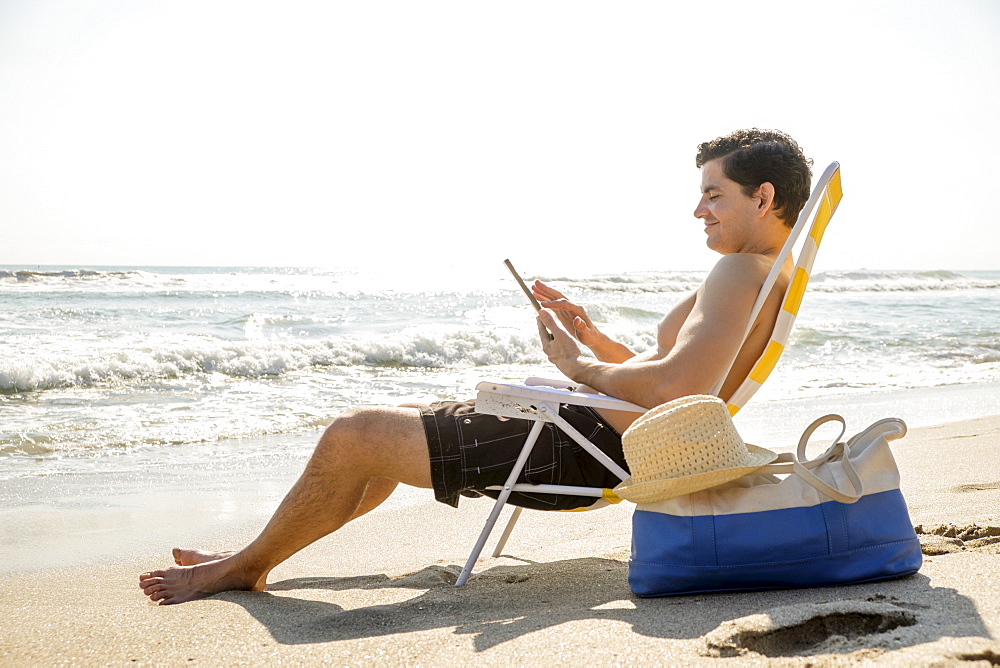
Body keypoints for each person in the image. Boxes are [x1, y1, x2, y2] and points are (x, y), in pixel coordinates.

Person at [139, 128, 813, 604]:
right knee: (391, 424)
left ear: (761, 197)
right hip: (591, 438)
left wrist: (577, 366)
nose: (698, 209)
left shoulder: (734, 272)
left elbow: (677, 390)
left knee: (355, 434)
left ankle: (243, 569)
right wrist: (593, 338)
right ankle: (248, 559)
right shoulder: (759, 274)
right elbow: (672, 371)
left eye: (713, 195)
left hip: (584, 452)